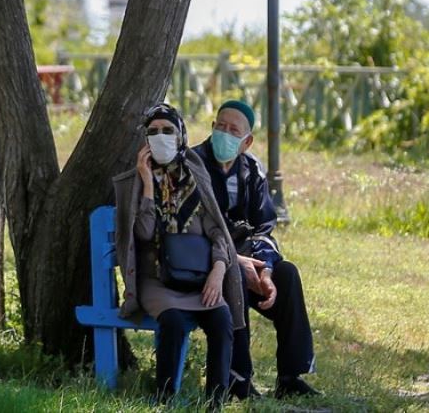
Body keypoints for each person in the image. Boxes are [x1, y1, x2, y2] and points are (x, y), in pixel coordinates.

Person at [113, 102, 245, 406]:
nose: (161, 137)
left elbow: (218, 232)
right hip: (158, 280)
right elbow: (143, 234)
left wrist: (218, 271)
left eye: (168, 130)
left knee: (221, 318)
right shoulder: (134, 183)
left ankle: (215, 402)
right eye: (153, 132)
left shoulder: (196, 174)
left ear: (181, 134)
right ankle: (165, 399)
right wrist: (148, 183)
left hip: (200, 277)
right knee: (172, 322)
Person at [192, 99, 319, 399]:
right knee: (234, 274)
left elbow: (264, 226)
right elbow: (192, 229)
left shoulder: (252, 171)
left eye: (233, 130)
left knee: (286, 274)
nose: (224, 133)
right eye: (220, 126)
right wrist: (235, 260)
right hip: (207, 265)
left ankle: (291, 376)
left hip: (246, 260)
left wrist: (265, 270)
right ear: (212, 128)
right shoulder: (193, 165)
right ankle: (239, 378)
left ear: (246, 141)